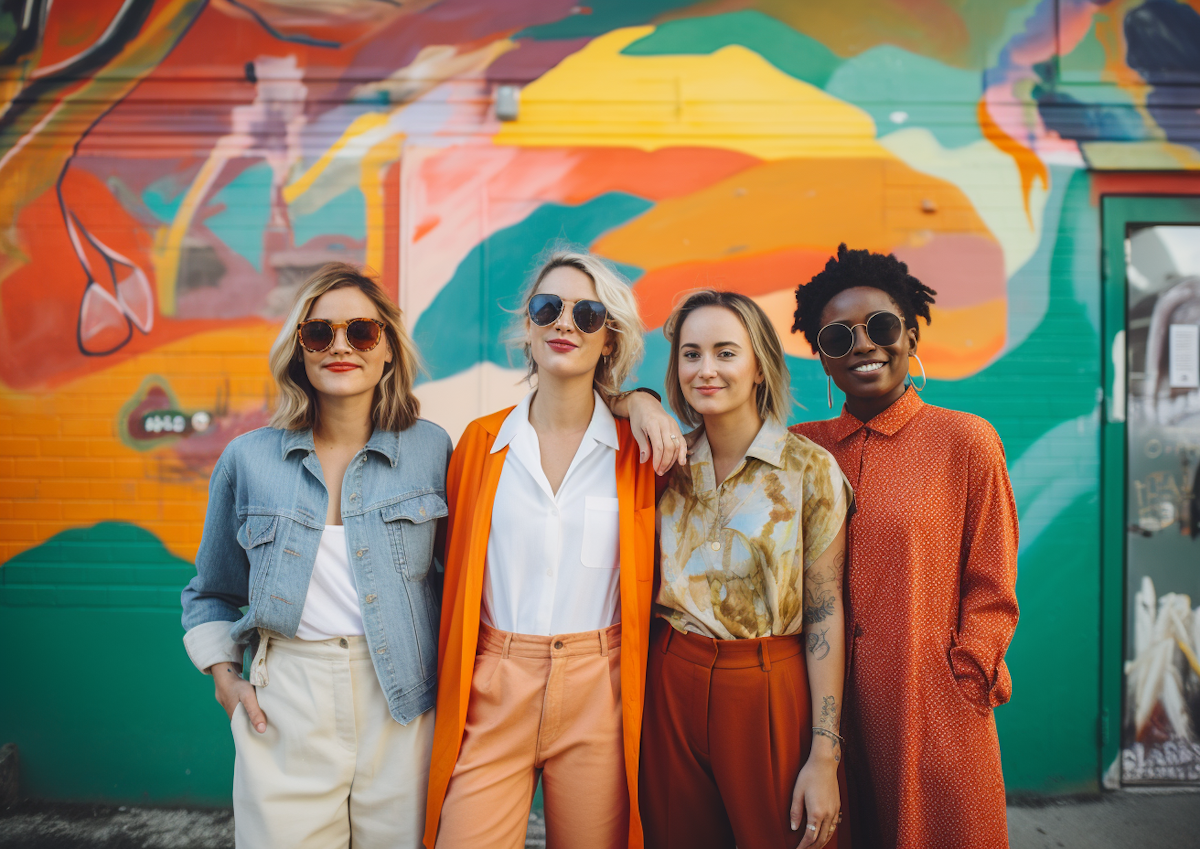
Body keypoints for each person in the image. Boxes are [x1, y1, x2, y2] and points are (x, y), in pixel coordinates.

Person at [181, 263, 452, 848]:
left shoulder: (432, 450)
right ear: (298, 350)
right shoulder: (247, 460)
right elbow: (211, 592)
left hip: (404, 702)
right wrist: (226, 682)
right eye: (318, 332)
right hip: (286, 704)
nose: (339, 347)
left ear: (387, 351)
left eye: (361, 332)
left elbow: (461, 581)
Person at [424, 249, 670, 849]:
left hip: (600, 690)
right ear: (528, 328)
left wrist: (639, 399)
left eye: (588, 314)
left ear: (609, 340)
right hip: (494, 682)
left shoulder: (639, 452)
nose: (565, 323)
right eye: (547, 308)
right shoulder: (478, 447)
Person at [790, 244, 1019, 849]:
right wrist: (642, 403)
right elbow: (706, 440)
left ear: (911, 336)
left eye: (882, 327)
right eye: (838, 338)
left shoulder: (964, 440)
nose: (864, 345)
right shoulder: (797, 450)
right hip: (819, 712)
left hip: (931, 710)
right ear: (823, 360)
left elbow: (992, 583)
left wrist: (965, 676)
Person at [641, 290, 851, 849]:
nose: (705, 369)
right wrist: (639, 401)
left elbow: (826, 613)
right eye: (690, 354)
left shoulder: (810, 469)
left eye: (725, 352)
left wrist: (825, 753)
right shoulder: (664, 465)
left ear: (759, 365)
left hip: (767, 685)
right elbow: (593, 397)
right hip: (669, 681)